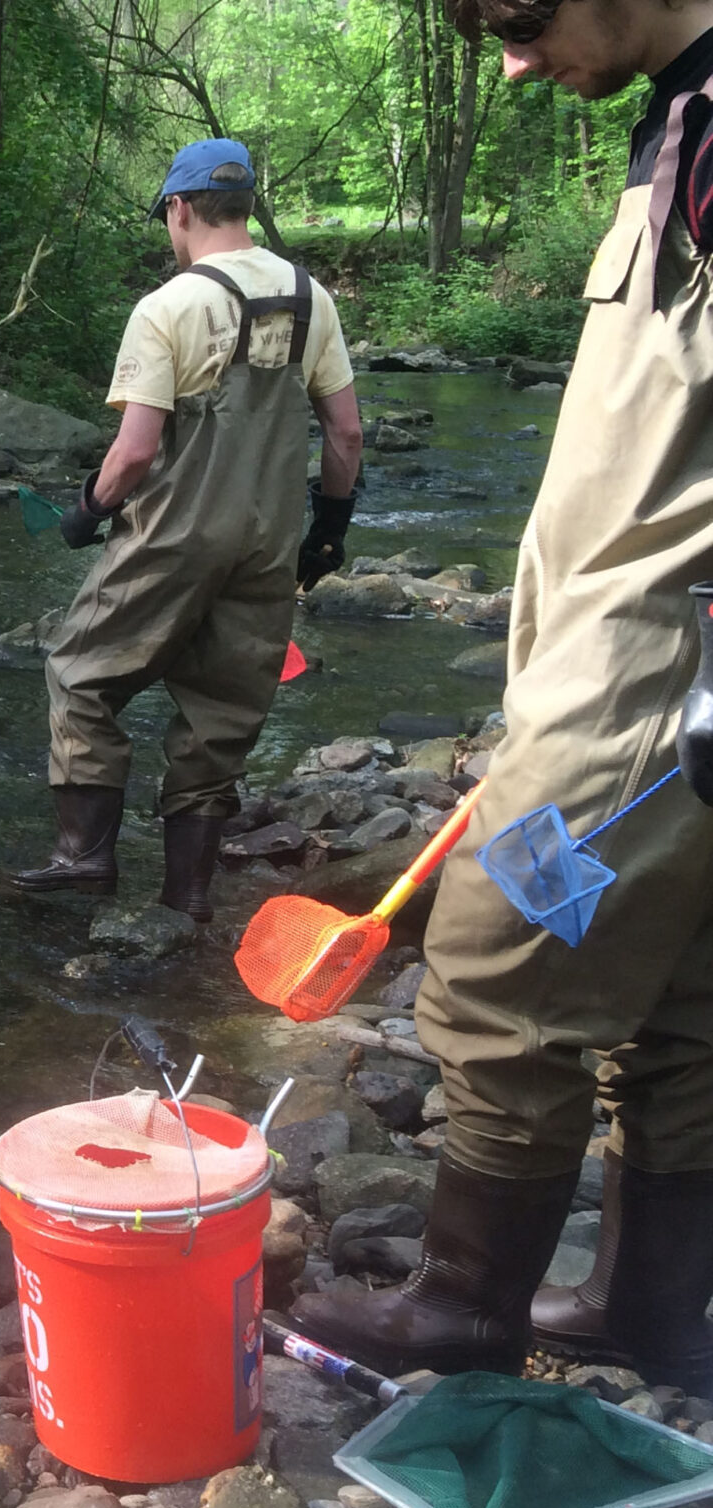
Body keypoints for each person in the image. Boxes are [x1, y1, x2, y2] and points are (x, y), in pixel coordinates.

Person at [292, 0, 713, 1392]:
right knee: (680, 995)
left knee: (497, 958)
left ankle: (466, 1310)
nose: (515, 61)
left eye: (518, 18)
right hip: (632, 654)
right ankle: (651, 1313)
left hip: (662, 665)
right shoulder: (682, 120)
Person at [8, 139, 364, 922]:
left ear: (179, 209)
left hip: (171, 538)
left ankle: (84, 856)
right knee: (218, 719)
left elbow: (134, 452)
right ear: (244, 205)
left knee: (79, 674)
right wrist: (328, 531)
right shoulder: (314, 298)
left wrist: (87, 512)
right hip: (269, 543)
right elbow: (345, 436)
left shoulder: (167, 308)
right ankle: (187, 900)